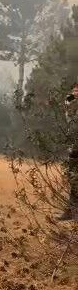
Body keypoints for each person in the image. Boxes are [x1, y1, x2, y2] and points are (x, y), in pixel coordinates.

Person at [61, 83, 78, 220]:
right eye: (74, 90)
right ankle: (71, 212)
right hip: (74, 148)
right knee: (73, 180)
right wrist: (71, 97)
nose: (76, 92)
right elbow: (67, 111)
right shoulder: (71, 106)